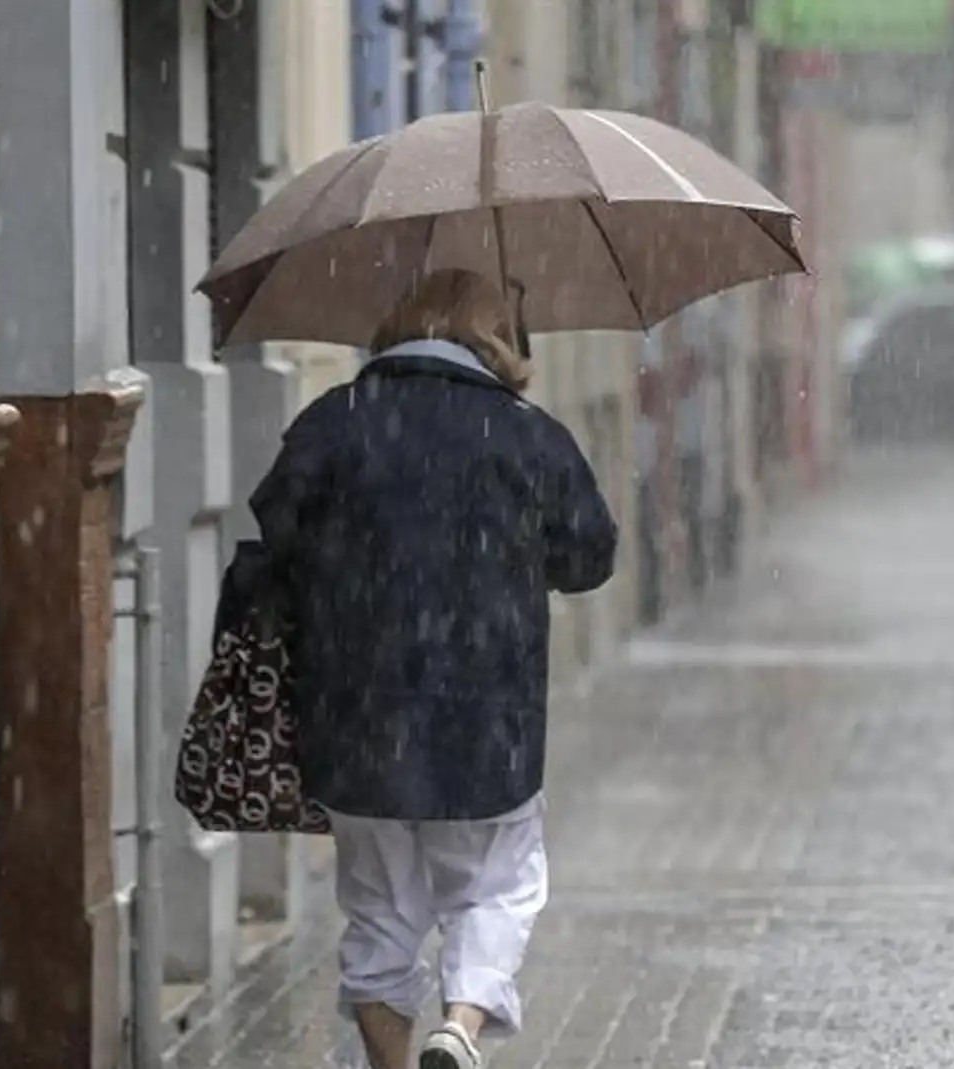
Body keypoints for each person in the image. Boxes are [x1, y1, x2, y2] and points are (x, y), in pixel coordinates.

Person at [250, 268, 619, 1069]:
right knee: (497, 885)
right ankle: (461, 1023)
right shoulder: (526, 432)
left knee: (380, 908)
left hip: (357, 716)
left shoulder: (334, 422)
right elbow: (591, 554)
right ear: (494, 335)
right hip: (488, 720)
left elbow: (277, 533)